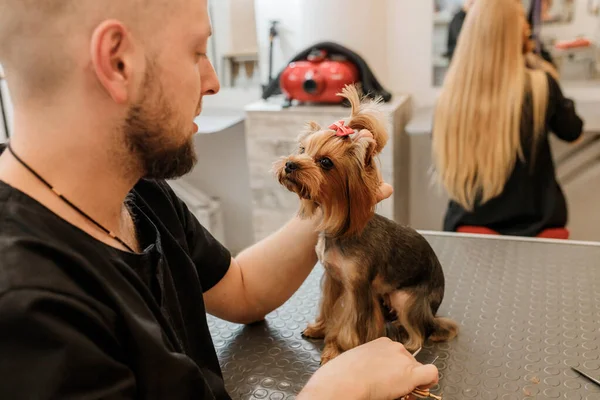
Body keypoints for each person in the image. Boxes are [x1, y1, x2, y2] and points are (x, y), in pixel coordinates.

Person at [0, 0, 439, 399]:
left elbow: (242, 289)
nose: (212, 82)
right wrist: (338, 391)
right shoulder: (27, 310)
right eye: (196, 52)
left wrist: (340, 200)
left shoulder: (138, 192)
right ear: (117, 62)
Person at [432, 0, 584, 237]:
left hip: (470, 225)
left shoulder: (450, 97)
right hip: (537, 227)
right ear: (518, 34)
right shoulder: (542, 86)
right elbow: (573, 132)